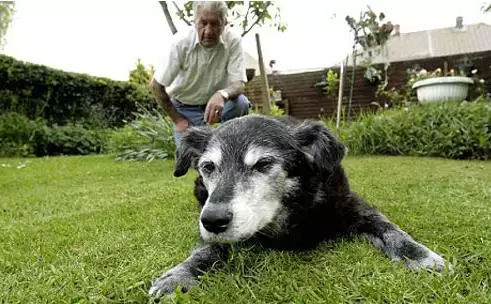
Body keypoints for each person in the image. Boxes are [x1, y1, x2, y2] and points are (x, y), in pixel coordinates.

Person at [150, 1, 251, 148]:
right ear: (195, 22)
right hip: (185, 109)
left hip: (220, 107)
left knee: (240, 103)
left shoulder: (233, 41)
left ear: (225, 23)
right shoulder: (180, 42)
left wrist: (222, 94)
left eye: (215, 24)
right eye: (203, 23)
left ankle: (229, 143)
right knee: (191, 159)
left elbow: (239, 84)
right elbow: (156, 86)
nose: (208, 31)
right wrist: (178, 120)